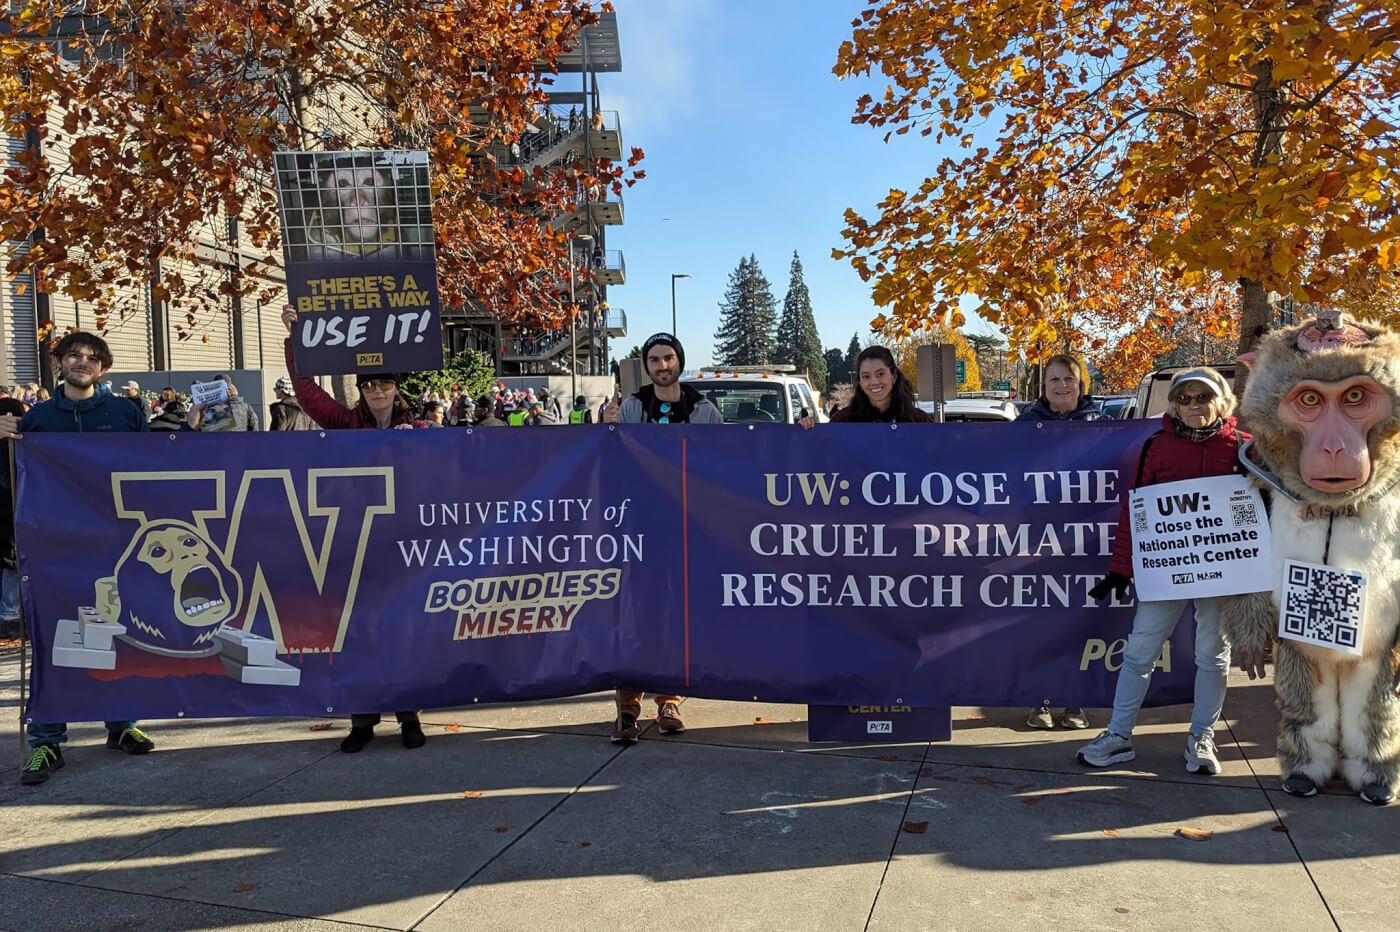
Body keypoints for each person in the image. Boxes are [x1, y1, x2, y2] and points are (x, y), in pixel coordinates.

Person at [0, 332, 154, 785]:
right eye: (73, 356)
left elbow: (153, 470)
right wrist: (5, 444)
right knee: (54, 636)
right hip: (55, 548)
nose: (82, 362)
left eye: (91, 358)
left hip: (116, 544)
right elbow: (12, 483)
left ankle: (122, 724)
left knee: (120, 631)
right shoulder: (38, 419)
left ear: (102, 368)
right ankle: (45, 738)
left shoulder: (125, 413)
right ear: (59, 363)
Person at [1077, 367, 1248, 775]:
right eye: (1184, 399)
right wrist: (1121, 569)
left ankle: (1201, 738)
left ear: (1221, 401)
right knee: (1139, 652)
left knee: (1213, 655)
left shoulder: (1244, 448)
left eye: (1202, 397)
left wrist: (1259, 582)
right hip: (1167, 570)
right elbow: (1134, 511)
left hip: (1222, 572)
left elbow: (1267, 512)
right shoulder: (1156, 445)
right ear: (1173, 404)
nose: (1193, 406)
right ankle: (1118, 736)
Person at [281, 305, 427, 753]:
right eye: (370, 385)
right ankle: (362, 719)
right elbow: (307, 394)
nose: (378, 391)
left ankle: (409, 715)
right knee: (359, 629)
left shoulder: (420, 429)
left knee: (403, 630)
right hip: (358, 540)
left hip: (404, 544)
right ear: (361, 392)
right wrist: (296, 339)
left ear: (395, 387)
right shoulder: (345, 423)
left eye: (384, 383)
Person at [602, 333, 722, 743]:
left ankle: (669, 699)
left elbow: (727, 462)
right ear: (647, 365)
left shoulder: (704, 411)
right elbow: (608, 457)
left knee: (676, 616)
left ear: (679, 361)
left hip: (685, 529)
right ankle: (626, 708)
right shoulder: (633, 407)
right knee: (633, 616)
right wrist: (606, 427)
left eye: (668, 358)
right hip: (637, 528)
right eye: (654, 359)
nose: (662, 365)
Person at [1017, 354, 1100, 730]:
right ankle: (1040, 701)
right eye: (1054, 380)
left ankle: (1074, 702)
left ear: (1081, 384)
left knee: (1078, 624)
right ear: (1043, 386)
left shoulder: (1104, 426)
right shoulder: (1025, 425)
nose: (1061, 386)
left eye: (1068, 379)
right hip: (1036, 543)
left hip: (1085, 543)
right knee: (1038, 625)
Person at [801, 345, 931, 426]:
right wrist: (807, 430)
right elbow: (823, 457)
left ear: (894, 376)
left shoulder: (919, 421)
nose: (874, 382)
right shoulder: (844, 420)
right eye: (866, 376)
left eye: (880, 374)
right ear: (860, 382)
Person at [0, 386, 25, 639]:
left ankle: (9, 614)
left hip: (10, 501)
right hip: (10, 502)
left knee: (10, 558)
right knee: (10, 558)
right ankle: (9, 614)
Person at [189, 374, 259, 432]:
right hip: (241, 446)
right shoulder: (245, 407)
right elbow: (254, 428)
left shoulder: (208, 408)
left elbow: (201, 430)